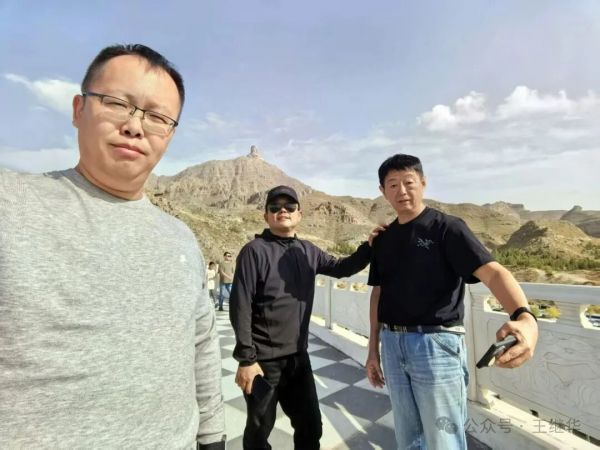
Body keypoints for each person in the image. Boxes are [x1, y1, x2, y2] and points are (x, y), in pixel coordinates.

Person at [0, 44, 225, 449]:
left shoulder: (181, 238)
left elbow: (202, 345)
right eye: (117, 104)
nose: (135, 126)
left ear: (170, 135)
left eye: (157, 117)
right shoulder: (12, 204)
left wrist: (213, 437)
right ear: (78, 109)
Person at [365, 154, 539, 450]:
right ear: (383, 191)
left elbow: (493, 273)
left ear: (423, 183)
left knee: (443, 440)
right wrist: (373, 350)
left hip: (435, 345)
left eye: (409, 182)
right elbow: (378, 294)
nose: (402, 191)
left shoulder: (447, 228)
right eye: (392, 184)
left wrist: (524, 317)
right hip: (392, 344)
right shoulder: (383, 239)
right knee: (408, 439)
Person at [229, 185, 381, 450]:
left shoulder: (307, 250)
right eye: (275, 207)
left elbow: (341, 268)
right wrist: (246, 359)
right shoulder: (254, 251)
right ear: (266, 216)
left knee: (311, 426)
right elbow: (240, 305)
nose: (282, 211)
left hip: (298, 360)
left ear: (299, 214)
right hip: (263, 361)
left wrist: (368, 248)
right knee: (259, 429)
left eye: (289, 207)